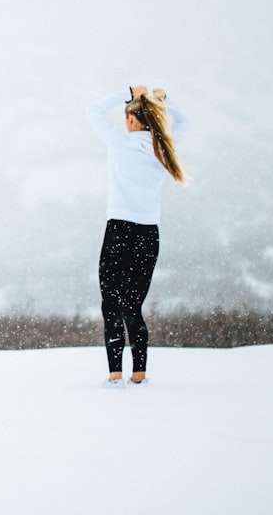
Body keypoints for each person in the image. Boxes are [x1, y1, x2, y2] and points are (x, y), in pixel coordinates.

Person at [86, 85, 188, 385]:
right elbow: (184, 121)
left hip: (119, 231)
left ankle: (115, 373)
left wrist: (127, 92)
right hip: (148, 234)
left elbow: (92, 111)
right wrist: (164, 98)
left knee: (112, 305)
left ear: (131, 121)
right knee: (133, 306)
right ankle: (139, 373)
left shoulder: (120, 144)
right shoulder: (162, 148)